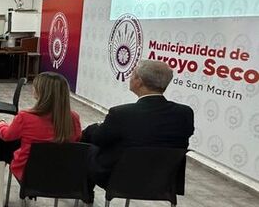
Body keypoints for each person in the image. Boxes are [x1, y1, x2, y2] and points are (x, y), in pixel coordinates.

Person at [83, 60, 194, 188]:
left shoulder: (121, 114)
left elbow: (98, 139)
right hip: (164, 181)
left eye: (132, 74)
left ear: (139, 82)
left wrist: (96, 127)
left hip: (120, 178)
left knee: (88, 143)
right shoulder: (185, 113)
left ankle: (84, 192)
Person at [0, 72, 82, 207]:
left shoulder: (25, 117)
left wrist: (1, 124)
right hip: (62, 175)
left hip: (29, 175)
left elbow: (7, 136)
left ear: (42, 93)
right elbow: (76, 140)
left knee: (9, 148)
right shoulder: (73, 118)